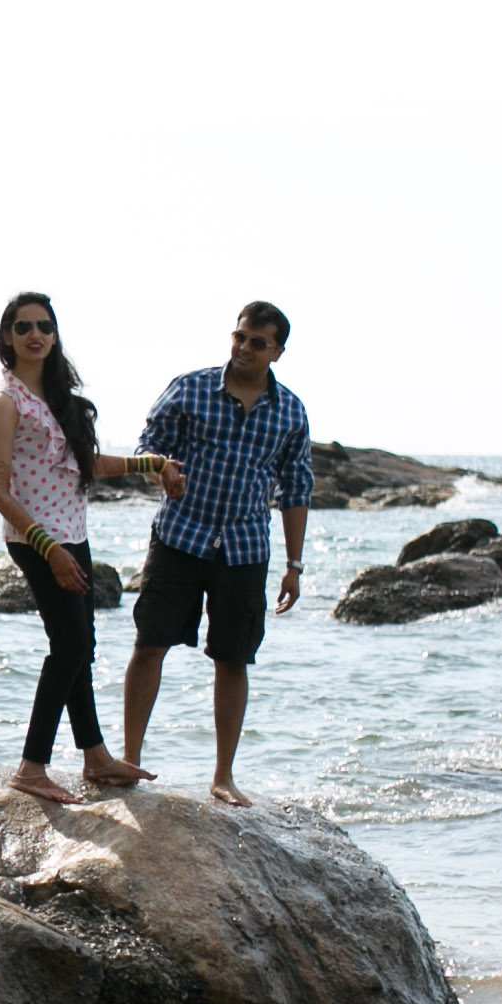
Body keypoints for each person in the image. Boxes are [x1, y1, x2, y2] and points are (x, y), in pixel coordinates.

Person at [0, 292, 175, 806]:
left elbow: (86, 464)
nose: (35, 334)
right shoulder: (6, 403)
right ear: (7, 337)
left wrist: (150, 465)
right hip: (38, 540)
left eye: (44, 325)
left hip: (73, 534)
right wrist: (48, 548)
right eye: (23, 327)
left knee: (80, 648)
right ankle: (31, 767)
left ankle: (95, 757)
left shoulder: (56, 400)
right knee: (67, 648)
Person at [123, 299, 312, 807]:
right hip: (180, 536)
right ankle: (129, 760)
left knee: (233, 658)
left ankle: (223, 776)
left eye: (258, 342)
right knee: (150, 643)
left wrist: (294, 566)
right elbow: (149, 445)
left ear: (278, 351)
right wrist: (162, 468)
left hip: (245, 548)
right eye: (240, 337)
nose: (245, 348)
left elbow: (296, 489)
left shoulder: (291, 412)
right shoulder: (190, 389)